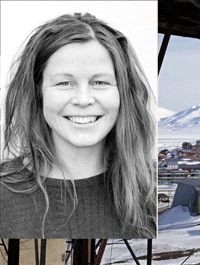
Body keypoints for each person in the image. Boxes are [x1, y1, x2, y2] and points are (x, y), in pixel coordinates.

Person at [0, 13, 157, 239]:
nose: (83, 100)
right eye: (64, 83)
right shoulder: (4, 193)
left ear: (124, 92)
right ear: (38, 91)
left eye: (99, 82)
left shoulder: (150, 191)